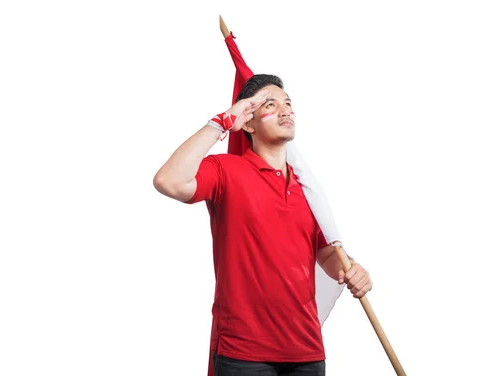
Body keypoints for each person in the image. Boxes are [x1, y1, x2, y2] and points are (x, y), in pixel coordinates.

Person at [153, 74, 372, 375]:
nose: (285, 110)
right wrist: (221, 122)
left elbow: (324, 252)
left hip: (306, 349)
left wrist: (353, 271)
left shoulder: (308, 187)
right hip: (244, 351)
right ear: (248, 123)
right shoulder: (225, 170)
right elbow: (169, 181)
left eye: (288, 104)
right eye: (271, 104)